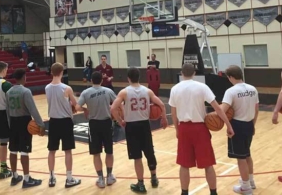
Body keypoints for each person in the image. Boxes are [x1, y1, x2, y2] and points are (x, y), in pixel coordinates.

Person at [169, 63, 234, 195]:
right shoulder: (202, 87)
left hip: (184, 129)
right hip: (200, 129)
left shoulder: (175, 89)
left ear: (182, 73)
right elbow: (218, 109)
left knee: (184, 164)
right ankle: (213, 192)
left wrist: (177, 129)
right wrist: (228, 125)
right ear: (194, 73)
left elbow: (173, 114)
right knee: (208, 164)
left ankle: (184, 193)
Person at [110, 67, 168, 193]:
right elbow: (162, 105)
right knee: (149, 153)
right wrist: (163, 118)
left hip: (131, 126)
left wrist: (121, 121)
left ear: (128, 78)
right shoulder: (147, 91)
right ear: (139, 77)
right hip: (144, 125)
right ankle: (154, 178)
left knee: (137, 157)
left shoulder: (124, 92)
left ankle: (141, 184)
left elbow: (113, 109)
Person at [221, 65, 259, 194]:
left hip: (237, 125)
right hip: (249, 124)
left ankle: (246, 187)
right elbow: (256, 109)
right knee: (247, 154)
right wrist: (253, 124)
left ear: (230, 77)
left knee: (241, 158)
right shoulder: (253, 89)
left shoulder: (231, 91)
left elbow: (223, 110)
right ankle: (251, 181)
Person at [75, 71, 117, 188]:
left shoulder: (86, 92)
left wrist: (85, 109)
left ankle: (100, 179)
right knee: (109, 151)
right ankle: (109, 177)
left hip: (94, 124)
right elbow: (118, 103)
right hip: (107, 123)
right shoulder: (108, 91)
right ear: (102, 80)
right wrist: (110, 108)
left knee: (96, 153)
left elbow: (77, 107)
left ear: (91, 80)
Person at [6, 68, 45, 188]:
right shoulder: (26, 91)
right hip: (24, 122)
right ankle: (27, 179)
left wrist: (9, 125)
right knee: (24, 151)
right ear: (23, 77)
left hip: (13, 121)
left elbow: (7, 111)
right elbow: (33, 109)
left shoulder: (8, 92)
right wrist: (41, 124)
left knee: (12, 150)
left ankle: (14, 176)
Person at [45, 62, 81, 188]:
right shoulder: (67, 88)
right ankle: (69, 178)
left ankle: (51, 177)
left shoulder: (47, 88)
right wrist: (85, 109)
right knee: (68, 151)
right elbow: (76, 105)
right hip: (65, 121)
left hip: (53, 121)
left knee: (52, 151)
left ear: (51, 72)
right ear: (61, 73)